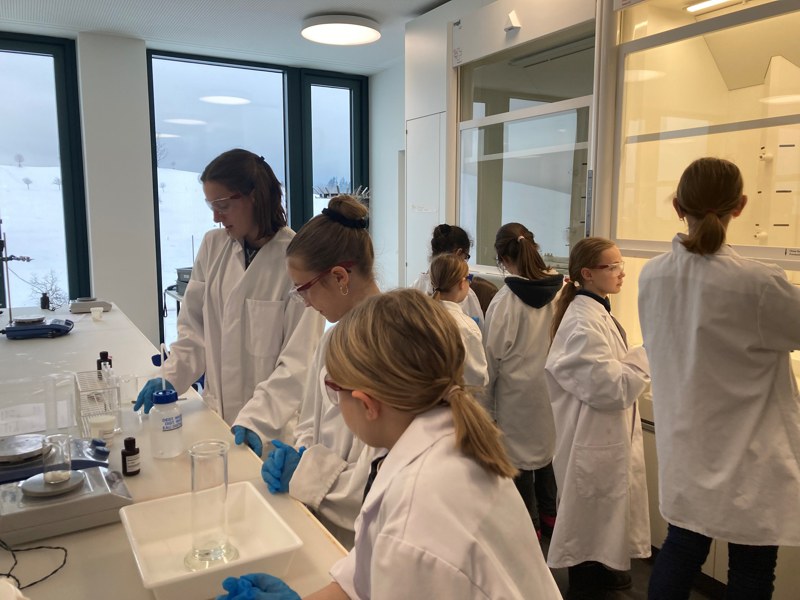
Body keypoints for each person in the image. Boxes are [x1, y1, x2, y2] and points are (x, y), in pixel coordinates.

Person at [218, 289, 563, 600]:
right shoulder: (444, 441)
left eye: (334, 390)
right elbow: (369, 573)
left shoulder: (416, 513)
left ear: (366, 404)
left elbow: (398, 554)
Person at [639, 157, 800, 599]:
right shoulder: (759, 283)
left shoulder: (652, 275)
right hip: (749, 457)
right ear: (741, 206)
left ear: (678, 206)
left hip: (689, 447)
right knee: (750, 571)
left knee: (680, 549)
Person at [134, 149, 325, 456]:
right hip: (215, 420)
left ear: (255, 197)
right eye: (211, 206)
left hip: (270, 433)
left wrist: (256, 419)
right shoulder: (213, 247)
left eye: (222, 205)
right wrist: (170, 377)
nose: (216, 217)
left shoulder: (296, 260)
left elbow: (298, 362)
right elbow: (195, 333)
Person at [260, 195, 382, 547]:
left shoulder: (390, 345)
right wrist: (300, 458)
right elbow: (309, 420)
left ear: (340, 277)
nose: (305, 303)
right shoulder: (332, 338)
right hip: (320, 516)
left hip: (365, 531)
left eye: (304, 290)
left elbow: (381, 474)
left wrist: (308, 476)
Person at [544, 236, 651, 599]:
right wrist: (646, 353)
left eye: (621, 264)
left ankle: (597, 574)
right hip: (590, 443)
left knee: (599, 525)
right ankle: (587, 583)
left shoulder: (597, 313)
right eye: (613, 266)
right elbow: (611, 387)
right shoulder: (581, 323)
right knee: (588, 529)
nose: (622, 273)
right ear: (588, 274)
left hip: (599, 441)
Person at [483, 222, 563, 539]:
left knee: (519, 467)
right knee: (546, 459)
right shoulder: (561, 291)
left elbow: (491, 360)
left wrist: (486, 411)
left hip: (516, 399)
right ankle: (552, 521)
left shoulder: (505, 302)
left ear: (503, 258)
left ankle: (528, 533)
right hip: (552, 394)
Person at [429, 252, 489, 390]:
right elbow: (479, 378)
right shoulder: (466, 327)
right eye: (469, 278)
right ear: (462, 283)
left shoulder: (420, 316)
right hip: (455, 398)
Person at [411, 223, 484, 329]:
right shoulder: (464, 294)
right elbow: (481, 331)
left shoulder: (414, 289)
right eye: (466, 257)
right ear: (458, 253)